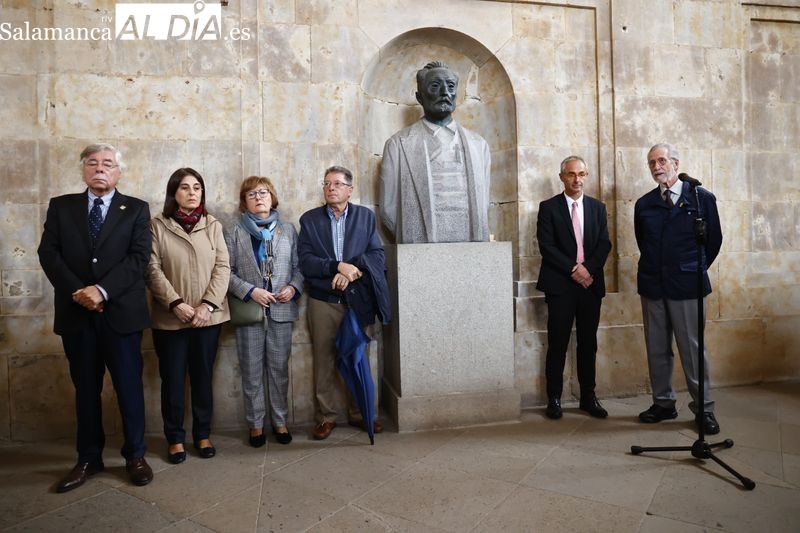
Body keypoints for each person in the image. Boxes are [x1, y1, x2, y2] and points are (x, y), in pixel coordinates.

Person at [38, 143, 154, 492]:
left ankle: (135, 454)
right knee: (85, 390)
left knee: (129, 388)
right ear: (83, 170)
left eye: (107, 164)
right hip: (77, 316)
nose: (99, 169)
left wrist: (102, 291)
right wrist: (80, 292)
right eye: (93, 163)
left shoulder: (136, 209)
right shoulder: (62, 207)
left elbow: (139, 257)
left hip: (121, 315)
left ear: (118, 172)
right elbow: (48, 253)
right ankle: (88, 457)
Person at [634, 143, 723, 435]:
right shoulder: (644, 204)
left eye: (661, 160)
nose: (656, 166)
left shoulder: (701, 198)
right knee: (657, 349)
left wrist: (691, 268)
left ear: (675, 162)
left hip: (688, 286)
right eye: (651, 163)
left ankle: (704, 409)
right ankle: (663, 403)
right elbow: (642, 242)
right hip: (653, 285)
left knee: (692, 350)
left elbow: (714, 242)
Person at [298, 165, 390, 440]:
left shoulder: (365, 217)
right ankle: (325, 417)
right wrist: (336, 267)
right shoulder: (310, 220)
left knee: (358, 356)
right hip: (323, 300)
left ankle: (362, 413)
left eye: (337, 183)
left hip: (358, 300)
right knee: (324, 359)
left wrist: (353, 271)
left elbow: (376, 255)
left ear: (350, 189)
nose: (331, 188)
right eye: (327, 183)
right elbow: (305, 261)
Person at [145, 168, 230, 463]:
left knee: (203, 378)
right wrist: (175, 303)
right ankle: (175, 439)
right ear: (174, 193)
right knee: (172, 380)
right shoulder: (157, 225)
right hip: (171, 319)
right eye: (185, 188)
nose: (192, 193)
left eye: (197, 187)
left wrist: (207, 305)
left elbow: (223, 267)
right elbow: (151, 268)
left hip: (208, 319)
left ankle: (202, 434)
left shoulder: (213, 225)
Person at [225, 176, 303, 447]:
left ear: (272, 197)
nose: (258, 197)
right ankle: (255, 424)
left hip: (281, 311)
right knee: (251, 371)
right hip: (250, 312)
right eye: (251, 194)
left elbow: (299, 267)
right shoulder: (235, 232)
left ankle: (280, 421)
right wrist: (250, 291)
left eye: (263, 192)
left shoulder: (288, 230)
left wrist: (293, 287)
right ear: (244, 202)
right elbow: (226, 272)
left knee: (279, 370)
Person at [379, 60, 491, 243]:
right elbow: (388, 209)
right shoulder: (398, 145)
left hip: (472, 249)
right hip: (419, 250)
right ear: (419, 96)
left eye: (450, 86)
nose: (445, 92)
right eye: (435, 86)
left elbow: (483, 203)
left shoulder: (479, 146)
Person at [536, 156, 612, 420]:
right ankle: (554, 398)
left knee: (588, 343)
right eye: (571, 174)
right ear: (562, 177)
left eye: (581, 174)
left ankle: (588, 396)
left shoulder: (598, 208)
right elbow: (547, 246)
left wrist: (588, 269)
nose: (577, 179)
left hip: (590, 285)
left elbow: (604, 244)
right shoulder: (548, 208)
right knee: (557, 342)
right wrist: (574, 269)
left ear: (587, 175)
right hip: (560, 285)